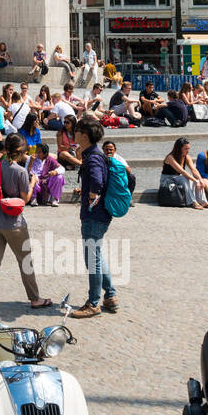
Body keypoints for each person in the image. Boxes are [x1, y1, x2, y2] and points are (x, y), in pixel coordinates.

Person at [0, 133, 52, 310]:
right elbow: (24, 198)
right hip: (14, 224)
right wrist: (32, 181)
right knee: (25, 260)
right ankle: (35, 298)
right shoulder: (20, 171)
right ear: (20, 150)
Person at [70, 115, 119, 318]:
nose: (74, 133)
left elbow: (97, 182)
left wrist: (91, 198)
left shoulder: (93, 157)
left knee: (92, 258)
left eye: (77, 131)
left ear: (84, 135)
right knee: (96, 255)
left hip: (94, 215)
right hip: (98, 215)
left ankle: (93, 303)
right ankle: (111, 296)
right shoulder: (91, 154)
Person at [160, 137, 208, 209]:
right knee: (184, 178)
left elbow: (194, 170)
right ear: (179, 148)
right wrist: (196, 181)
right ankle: (192, 202)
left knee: (195, 179)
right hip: (167, 180)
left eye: (189, 149)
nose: (188, 151)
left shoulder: (186, 157)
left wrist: (200, 180)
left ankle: (203, 202)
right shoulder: (170, 157)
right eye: (185, 149)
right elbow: (182, 171)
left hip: (178, 179)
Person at [28, 142, 65, 206]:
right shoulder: (31, 158)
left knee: (59, 177)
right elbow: (27, 171)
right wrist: (31, 162)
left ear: (45, 153)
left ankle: (54, 199)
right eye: (36, 151)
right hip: (35, 179)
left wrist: (55, 172)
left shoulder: (50, 159)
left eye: (39, 152)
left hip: (47, 179)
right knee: (33, 178)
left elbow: (62, 168)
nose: (37, 153)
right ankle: (33, 198)